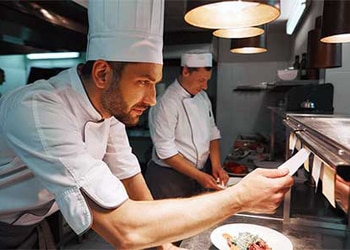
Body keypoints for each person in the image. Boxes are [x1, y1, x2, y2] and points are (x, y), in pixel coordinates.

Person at [0, 0, 293, 249]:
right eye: (143, 82)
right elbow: (123, 230)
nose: (152, 99)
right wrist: (239, 197)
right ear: (103, 74)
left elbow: (129, 176)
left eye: (154, 83)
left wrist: (163, 244)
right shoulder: (38, 108)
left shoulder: (108, 111)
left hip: (40, 219)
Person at [145, 51, 229, 199]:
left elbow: (213, 133)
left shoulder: (203, 98)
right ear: (185, 72)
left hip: (196, 175)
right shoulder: (166, 102)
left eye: (207, 80)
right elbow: (165, 151)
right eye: (201, 80)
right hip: (168, 179)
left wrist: (216, 166)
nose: (205, 86)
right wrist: (199, 176)